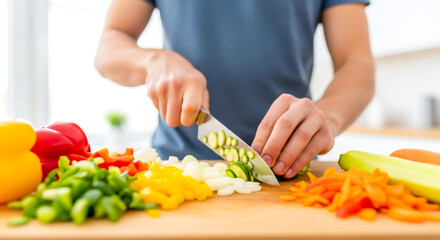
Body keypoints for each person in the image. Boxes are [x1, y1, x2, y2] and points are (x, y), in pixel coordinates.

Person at [95, 0, 375, 179]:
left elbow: (357, 65)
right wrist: (154, 61)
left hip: (290, 171)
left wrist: (328, 116)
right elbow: (110, 45)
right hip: (176, 171)